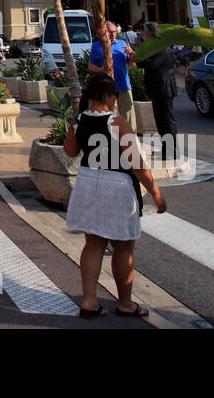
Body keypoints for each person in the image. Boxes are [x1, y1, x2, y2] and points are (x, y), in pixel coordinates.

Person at [64, 74, 167, 318]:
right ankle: (126, 303)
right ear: (109, 97)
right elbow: (136, 164)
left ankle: (89, 300)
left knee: (93, 244)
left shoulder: (78, 120)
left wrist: (75, 130)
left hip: (89, 181)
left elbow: (69, 152)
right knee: (123, 247)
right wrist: (155, 192)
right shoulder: (117, 123)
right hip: (116, 185)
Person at [138, 23, 178, 161]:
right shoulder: (155, 46)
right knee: (160, 121)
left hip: (164, 88)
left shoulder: (161, 47)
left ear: (150, 32)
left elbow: (152, 64)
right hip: (158, 88)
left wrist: (137, 58)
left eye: (144, 31)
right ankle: (166, 148)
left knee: (167, 121)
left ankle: (171, 150)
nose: (142, 33)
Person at [88, 22, 136, 130]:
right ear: (104, 31)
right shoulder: (97, 46)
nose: (113, 34)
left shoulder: (122, 44)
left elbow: (132, 64)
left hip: (123, 86)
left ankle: (131, 139)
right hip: (106, 88)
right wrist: (100, 69)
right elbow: (90, 65)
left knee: (128, 116)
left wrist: (132, 55)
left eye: (114, 32)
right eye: (110, 32)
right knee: (106, 115)